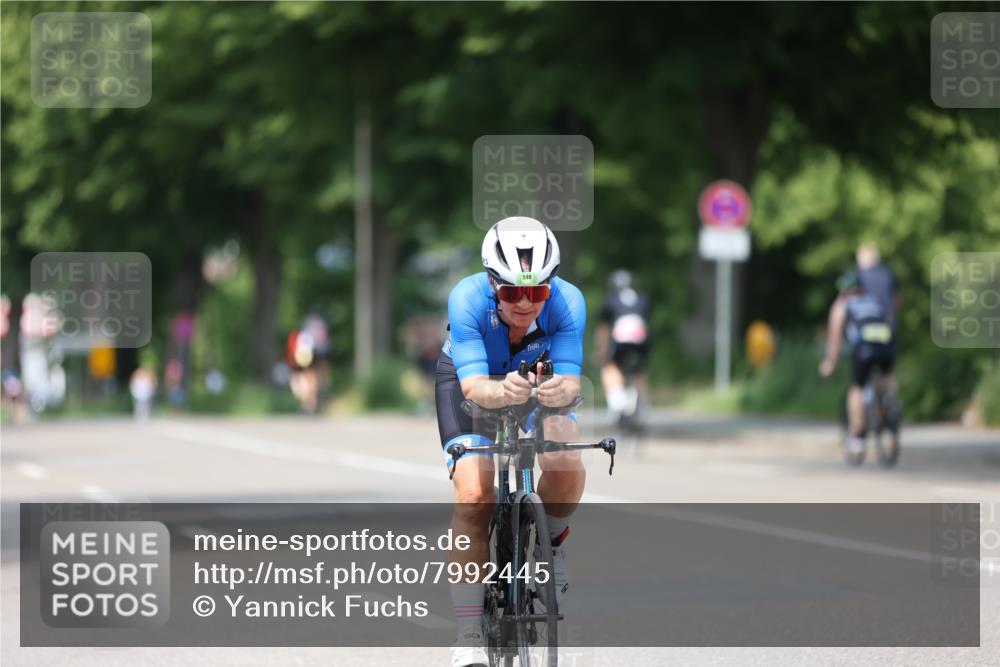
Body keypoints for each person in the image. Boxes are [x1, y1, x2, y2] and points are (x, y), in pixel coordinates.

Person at [437, 216, 586, 667]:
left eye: (538, 292)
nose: (525, 303)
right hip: (473, 384)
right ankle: (467, 629)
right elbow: (474, 387)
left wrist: (563, 390)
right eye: (512, 292)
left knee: (566, 449)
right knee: (474, 494)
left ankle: (552, 542)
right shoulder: (465, 299)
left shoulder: (569, 303)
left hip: (536, 382)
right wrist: (502, 392)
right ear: (491, 282)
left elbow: (571, 380)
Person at [819, 269, 897, 457]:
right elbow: (890, 320)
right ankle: (890, 413)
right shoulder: (875, 299)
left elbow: (835, 335)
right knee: (886, 377)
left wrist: (831, 361)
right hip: (887, 345)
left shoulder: (843, 304)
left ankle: (858, 436)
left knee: (857, 389)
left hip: (864, 349)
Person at [595, 269, 651, 427]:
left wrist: (602, 351)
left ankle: (617, 403)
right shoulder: (643, 298)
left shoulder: (610, 299)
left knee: (610, 367)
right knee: (640, 370)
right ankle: (644, 404)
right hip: (642, 341)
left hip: (621, 342)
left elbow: (604, 329)